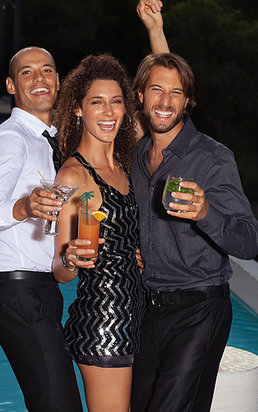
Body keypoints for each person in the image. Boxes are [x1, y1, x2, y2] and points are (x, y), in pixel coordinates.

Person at [130, 52, 258, 412]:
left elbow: (250, 240)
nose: (165, 101)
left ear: (187, 101)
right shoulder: (137, 157)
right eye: (157, 89)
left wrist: (205, 213)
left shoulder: (213, 158)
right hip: (151, 310)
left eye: (176, 92)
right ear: (140, 95)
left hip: (200, 307)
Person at [0, 45, 83, 412]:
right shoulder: (10, 139)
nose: (39, 79)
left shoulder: (55, 139)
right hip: (17, 291)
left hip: (39, 289)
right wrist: (24, 205)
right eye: (27, 72)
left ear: (59, 81)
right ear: (11, 85)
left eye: (47, 70)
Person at [52, 53, 145, 412]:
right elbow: (60, 272)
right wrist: (70, 258)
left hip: (139, 313)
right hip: (104, 321)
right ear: (78, 109)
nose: (108, 112)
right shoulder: (73, 177)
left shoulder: (125, 164)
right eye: (97, 102)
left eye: (116, 102)